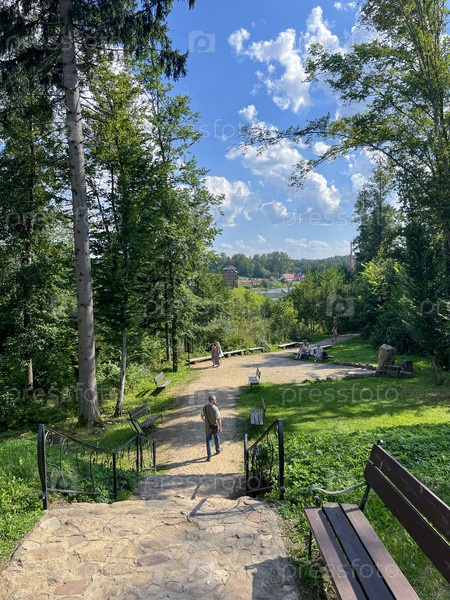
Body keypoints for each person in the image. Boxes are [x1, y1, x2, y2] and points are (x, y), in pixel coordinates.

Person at [201, 395, 222, 461]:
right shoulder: (215, 409)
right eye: (215, 399)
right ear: (212, 400)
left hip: (207, 427)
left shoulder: (204, 408)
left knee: (208, 441)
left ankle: (209, 456)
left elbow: (202, 416)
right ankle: (218, 450)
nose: (216, 400)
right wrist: (220, 427)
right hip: (214, 426)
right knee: (216, 438)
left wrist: (205, 421)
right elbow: (219, 419)